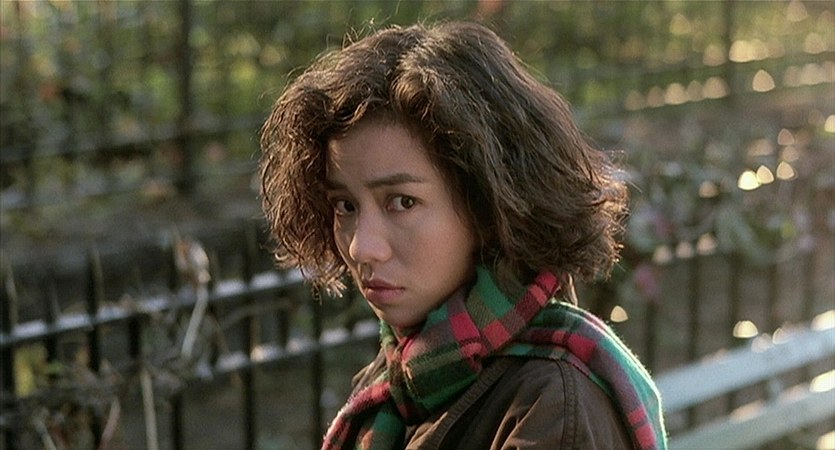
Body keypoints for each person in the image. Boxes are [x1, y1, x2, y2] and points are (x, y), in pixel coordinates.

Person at [259, 21, 667, 450]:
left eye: (402, 202)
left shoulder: (553, 405)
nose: (362, 247)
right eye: (345, 205)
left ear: (489, 205)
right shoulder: (406, 376)